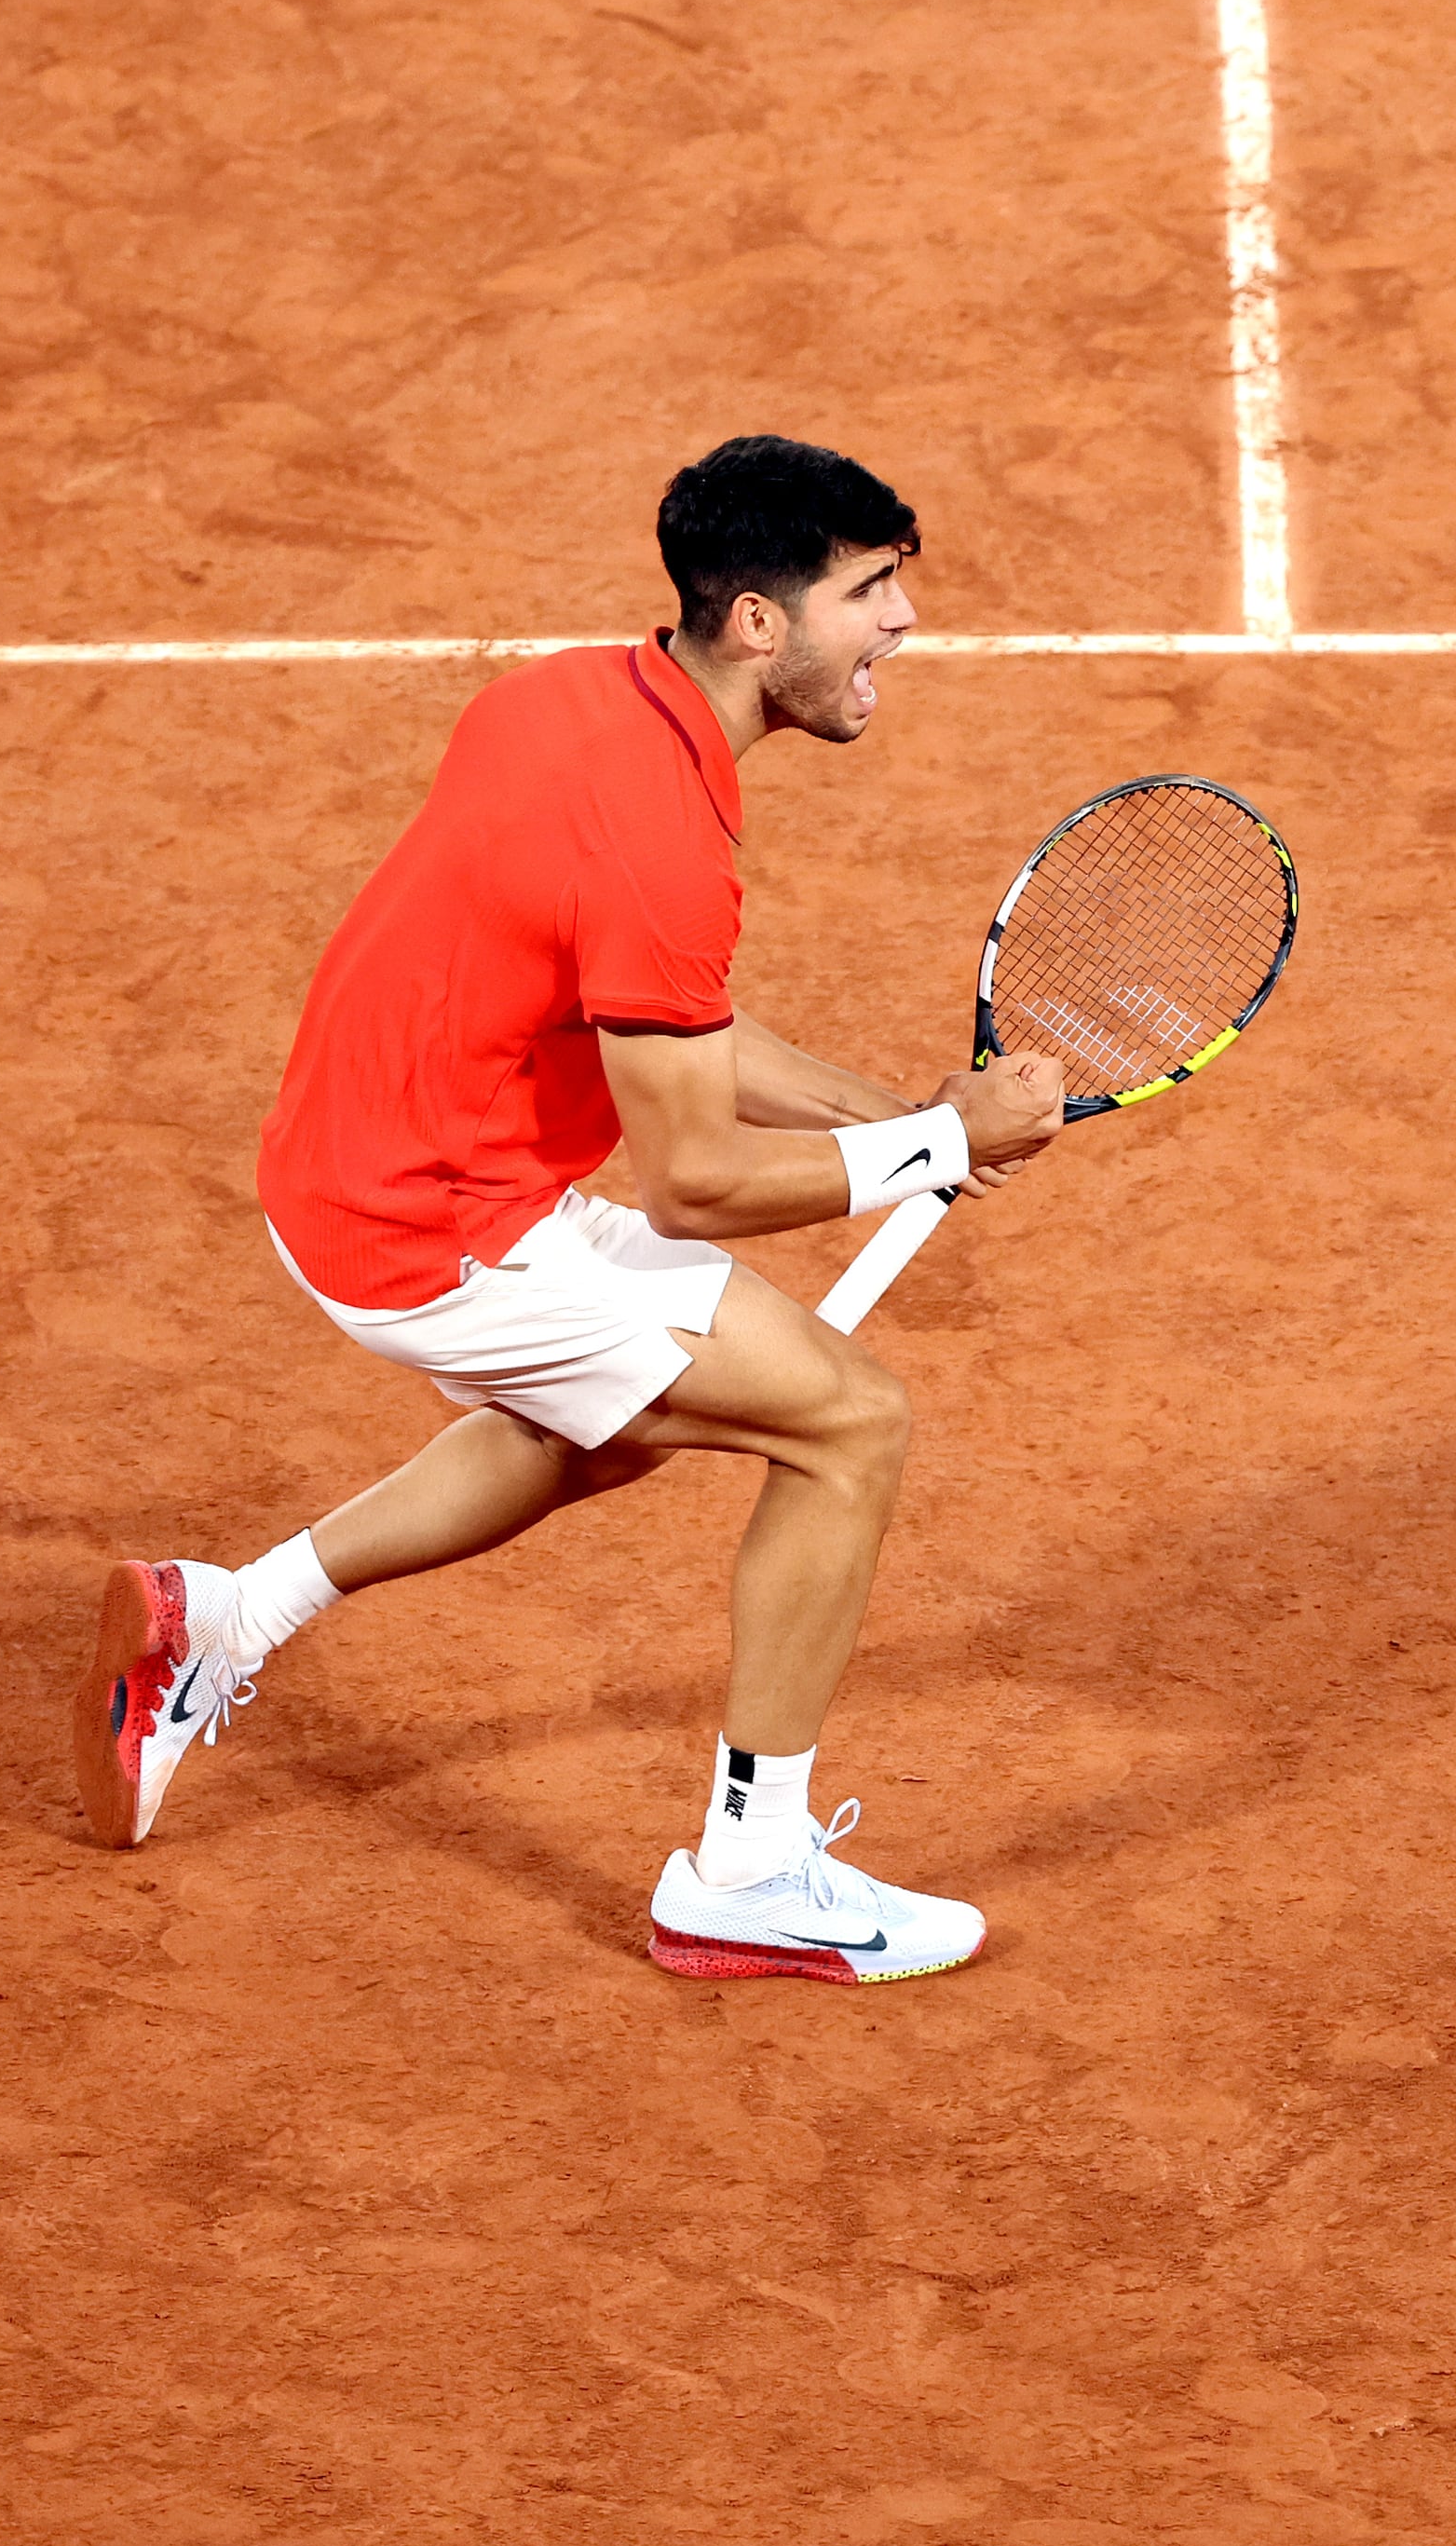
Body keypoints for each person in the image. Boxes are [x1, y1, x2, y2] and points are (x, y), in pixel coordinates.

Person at [75, 437, 1061, 1982]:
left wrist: (898, 1114)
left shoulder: (575, 696)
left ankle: (224, 1620)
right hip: (430, 1224)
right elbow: (693, 1177)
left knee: (599, 1421)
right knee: (846, 1422)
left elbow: (677, 1028)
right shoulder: (664, 838)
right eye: (870, 592)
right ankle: (748, 1871)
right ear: (755, 622)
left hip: (355, 1157)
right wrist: (935, 1146)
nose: (902, 624)